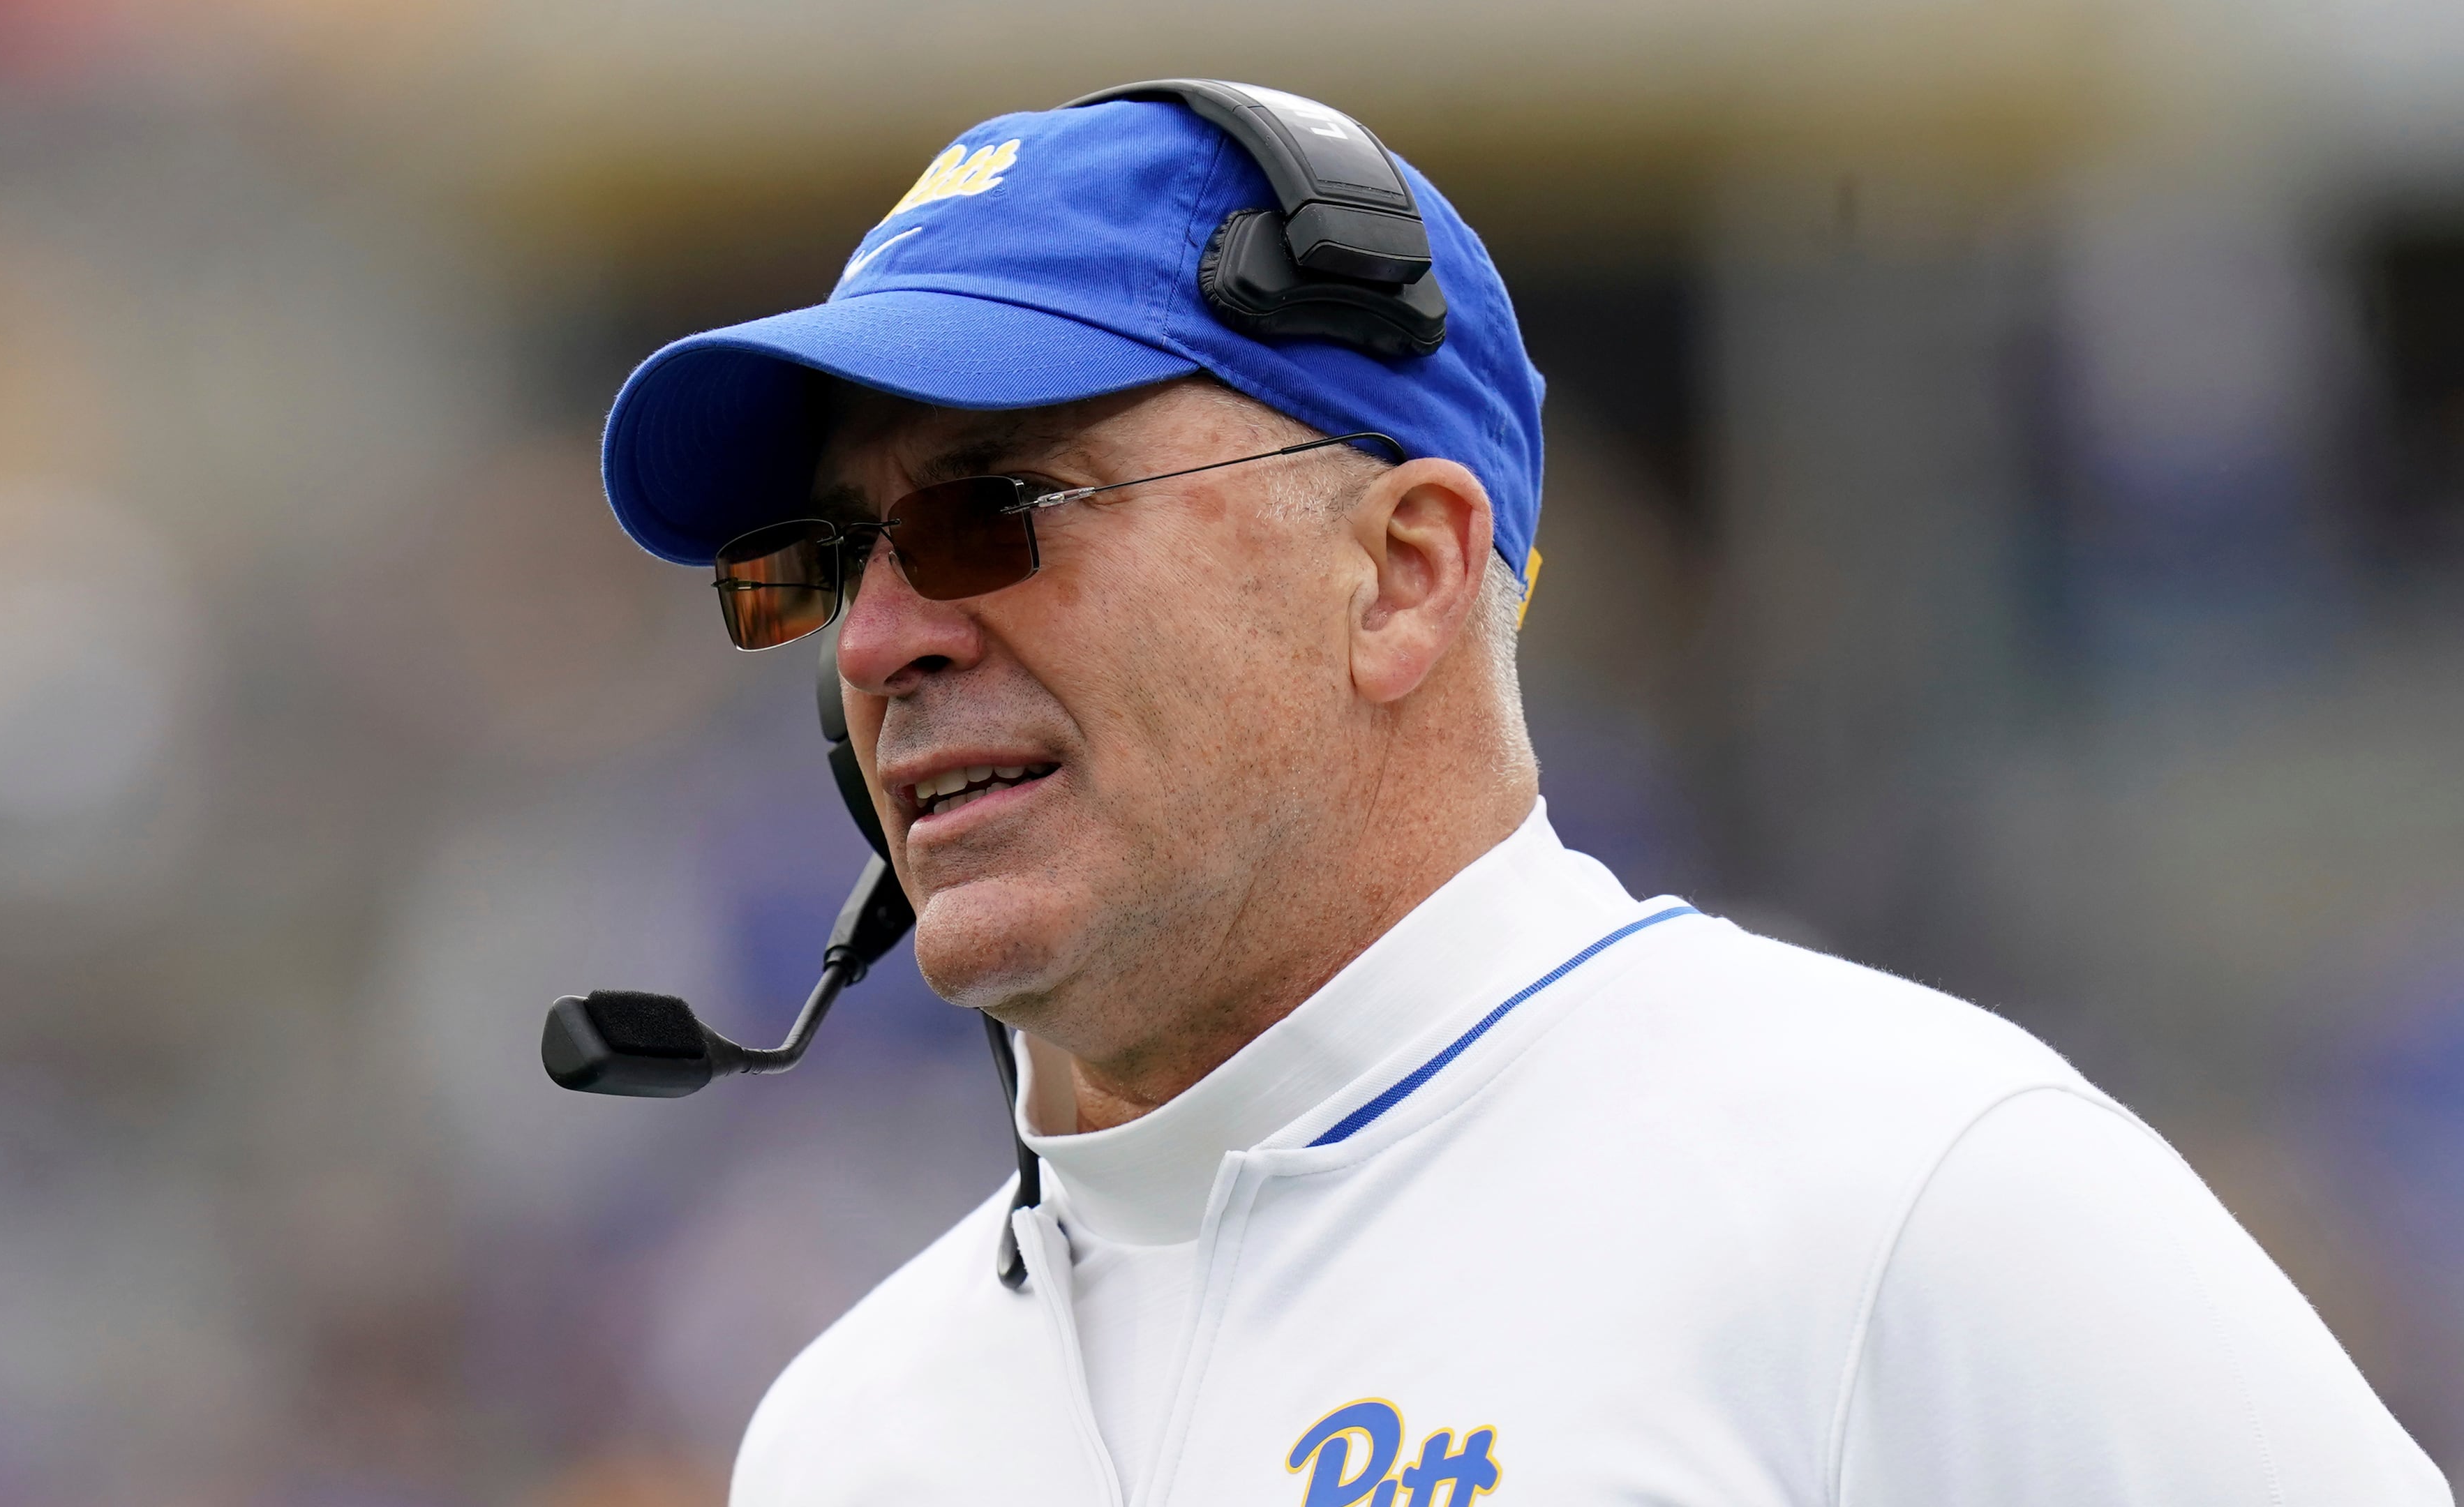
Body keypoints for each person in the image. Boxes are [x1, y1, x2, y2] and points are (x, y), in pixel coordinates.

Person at [596, 84, 2450, 1506]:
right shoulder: (846, 1434)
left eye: (994, 509)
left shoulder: (1912, 1200)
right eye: (827, 557)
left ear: (1402, 572)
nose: (875, 641)